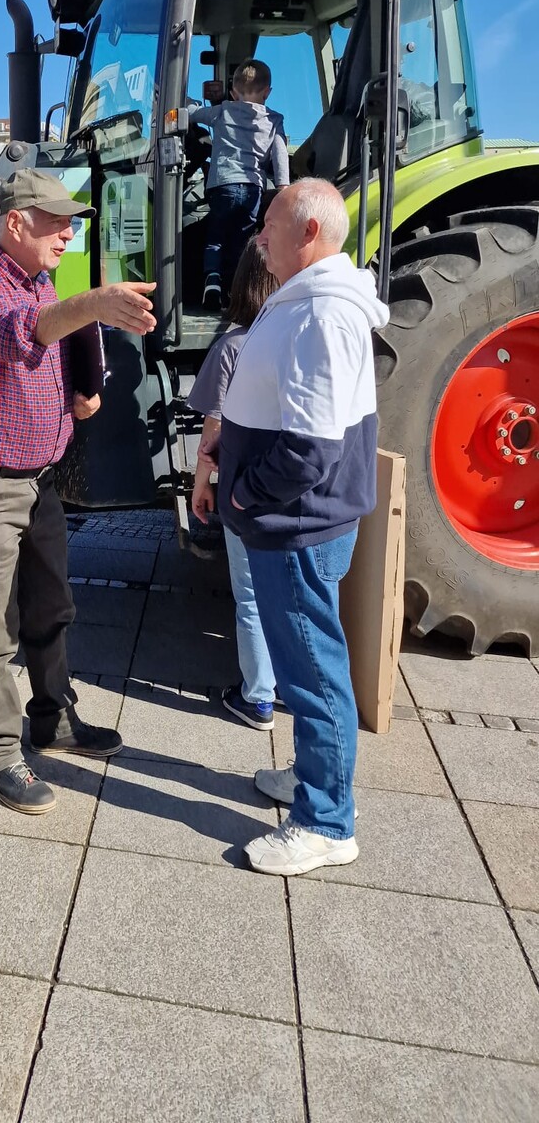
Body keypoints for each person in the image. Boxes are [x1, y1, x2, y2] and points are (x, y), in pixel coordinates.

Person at [0, 167, 156, 814]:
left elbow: (50, 342)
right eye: (55, 219)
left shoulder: (41, 281)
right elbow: (13, 334)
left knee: (50, 610)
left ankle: (52, 720)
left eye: (70, 219)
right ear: (14, 223)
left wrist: (78, 393)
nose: (69, 230)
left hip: (37, 483)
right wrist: (91, 305)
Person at [211, 179, 389, 875]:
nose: (258, 237)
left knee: (313, 673)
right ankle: (315, 781)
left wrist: (248, 496)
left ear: (308, 233)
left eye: (270, 225)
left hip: (295, 524)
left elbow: (310, 448)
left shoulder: (319, 313)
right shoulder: (313, 301)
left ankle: (325, 822)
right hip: (294, 521)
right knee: (305, 664)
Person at [189, 237, 278, 730]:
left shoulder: (233, 346)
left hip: (245, 492)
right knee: (291, 595)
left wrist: (203, 483)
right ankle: (289, 688)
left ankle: (258, 697)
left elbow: (213, 430)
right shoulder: (302, 338)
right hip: (294, 490)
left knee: (251, 596)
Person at [189, 59, 289, 309]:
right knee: (242, 240)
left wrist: (185, 103)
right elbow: (280, 154)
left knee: (215, 237)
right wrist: (282, 187)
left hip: (222, 186)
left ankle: (212, 283)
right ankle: (236, 290)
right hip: (253, 189)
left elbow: (193, 114)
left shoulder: (223, 110)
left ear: (233, 92)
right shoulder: (274, 120)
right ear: (268, 92)